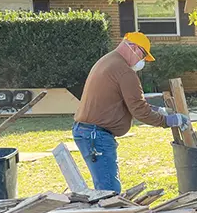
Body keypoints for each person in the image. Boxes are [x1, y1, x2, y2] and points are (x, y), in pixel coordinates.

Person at [73, 32, 190, 193]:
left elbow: (130, 102)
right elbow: (139, 111)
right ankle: (110, 209)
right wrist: (168, 121)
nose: (142, 62)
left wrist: (160, 110)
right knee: (109, 192)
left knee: (105, 186)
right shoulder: (124, 71)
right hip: (96, 134)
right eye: (143, 55)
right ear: (133, 48)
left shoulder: (109, 61)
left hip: (88, 131)